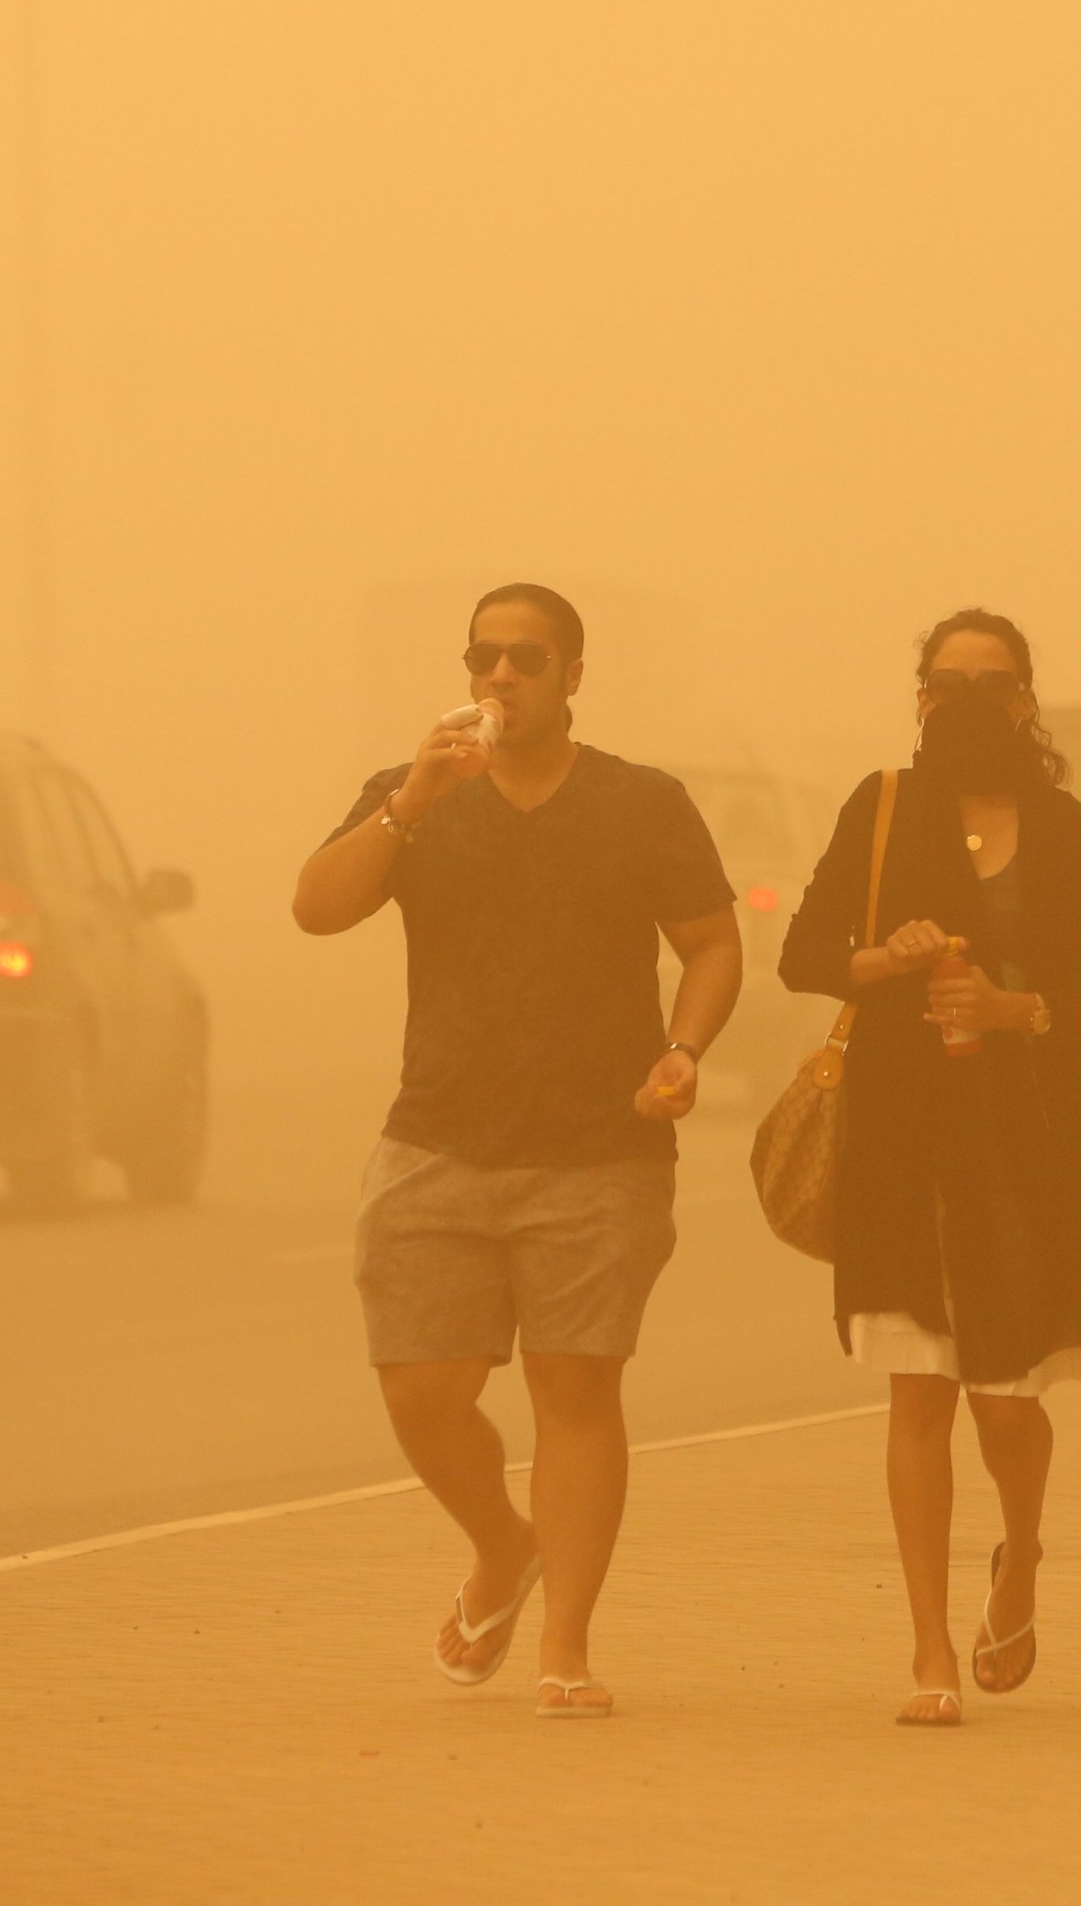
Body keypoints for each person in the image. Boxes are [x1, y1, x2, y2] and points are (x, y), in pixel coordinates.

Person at [293, 582, 743, 1720]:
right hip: (436, 1134)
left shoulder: (640, 801)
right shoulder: (417, 791)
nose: (500, 676)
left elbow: (709, 942)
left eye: (526, 658)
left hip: (600, 1146)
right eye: (484, 655)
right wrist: (408, 800)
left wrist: (684, 1049)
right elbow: (315, 907)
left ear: (572, 677)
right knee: (420, 1387)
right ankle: (503, 1545)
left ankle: (566, 1648)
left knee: (575, 1384)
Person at [778, 607, 1081, 1727]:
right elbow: (803, 952)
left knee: (1006, 1406)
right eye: (943, 678)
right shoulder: (878, 810)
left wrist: (1018, 1008)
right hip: (900, 1148)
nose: (963, 698)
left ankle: (1018, 1559)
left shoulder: (1065, 831)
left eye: (990, 680)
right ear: (918, 694)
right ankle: (926, 1650)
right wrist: (881, 959)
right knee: (918, 1393)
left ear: (1023, 699)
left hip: (1026, 1150)